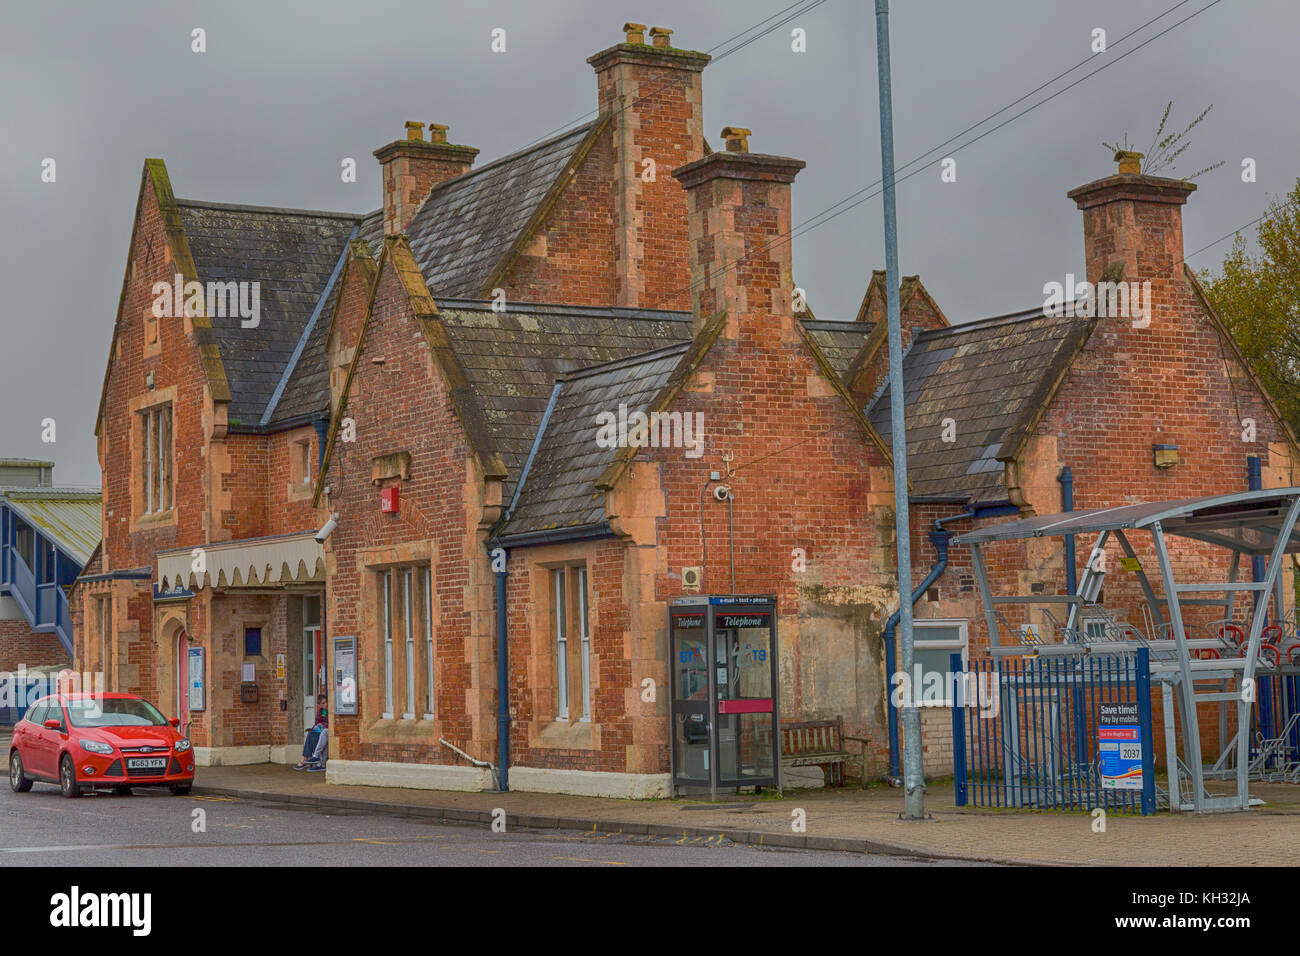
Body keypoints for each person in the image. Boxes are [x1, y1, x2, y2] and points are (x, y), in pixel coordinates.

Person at [294, 693, 329, 770]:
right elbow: (317, 723)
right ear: (319, 705)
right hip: (321, 732)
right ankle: (309, 759)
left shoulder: (330, 711)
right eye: (323, 703)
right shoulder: (321, 712)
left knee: (311, 735)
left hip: (326, 732)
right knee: (311, 733)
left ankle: (304, 760)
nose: (326, 704)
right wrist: (316, 726)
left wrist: (323, 725)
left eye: (326, 702)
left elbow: (329, 723)